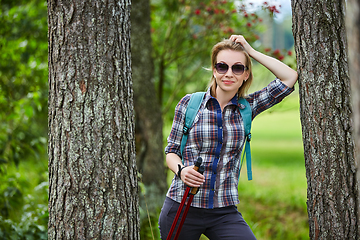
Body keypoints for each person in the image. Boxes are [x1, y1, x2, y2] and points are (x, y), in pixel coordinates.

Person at [158, 35, 298, 240]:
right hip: (182, 206)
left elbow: (289, 77)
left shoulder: (248, 107)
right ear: (214, 70)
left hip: (223, 211)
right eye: (222, 66)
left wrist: (251, 52)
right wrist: (182, 171)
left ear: (245, 74)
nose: (229, 74)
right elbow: (171, 151)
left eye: (238, 68)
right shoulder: (190, 104)